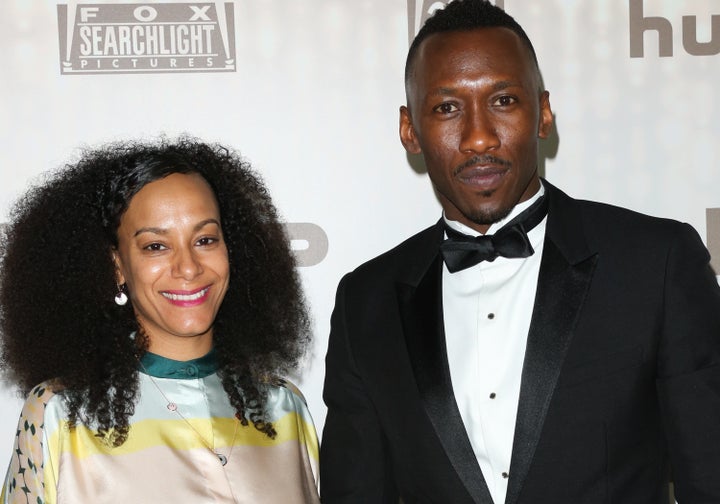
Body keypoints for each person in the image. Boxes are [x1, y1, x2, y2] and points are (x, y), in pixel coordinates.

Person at [320, 1, 720, 503]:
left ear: (543, 112)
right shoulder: (366, 302)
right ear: (409, 130)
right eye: (447, 107)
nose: (479, 137)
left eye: (504, 100)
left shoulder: (654, 264)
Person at [0, 138, 320, 503]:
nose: (188, 267)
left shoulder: (284, 407)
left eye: (205, 239)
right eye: (156, 246)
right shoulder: (58, 413)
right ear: (117, 266)